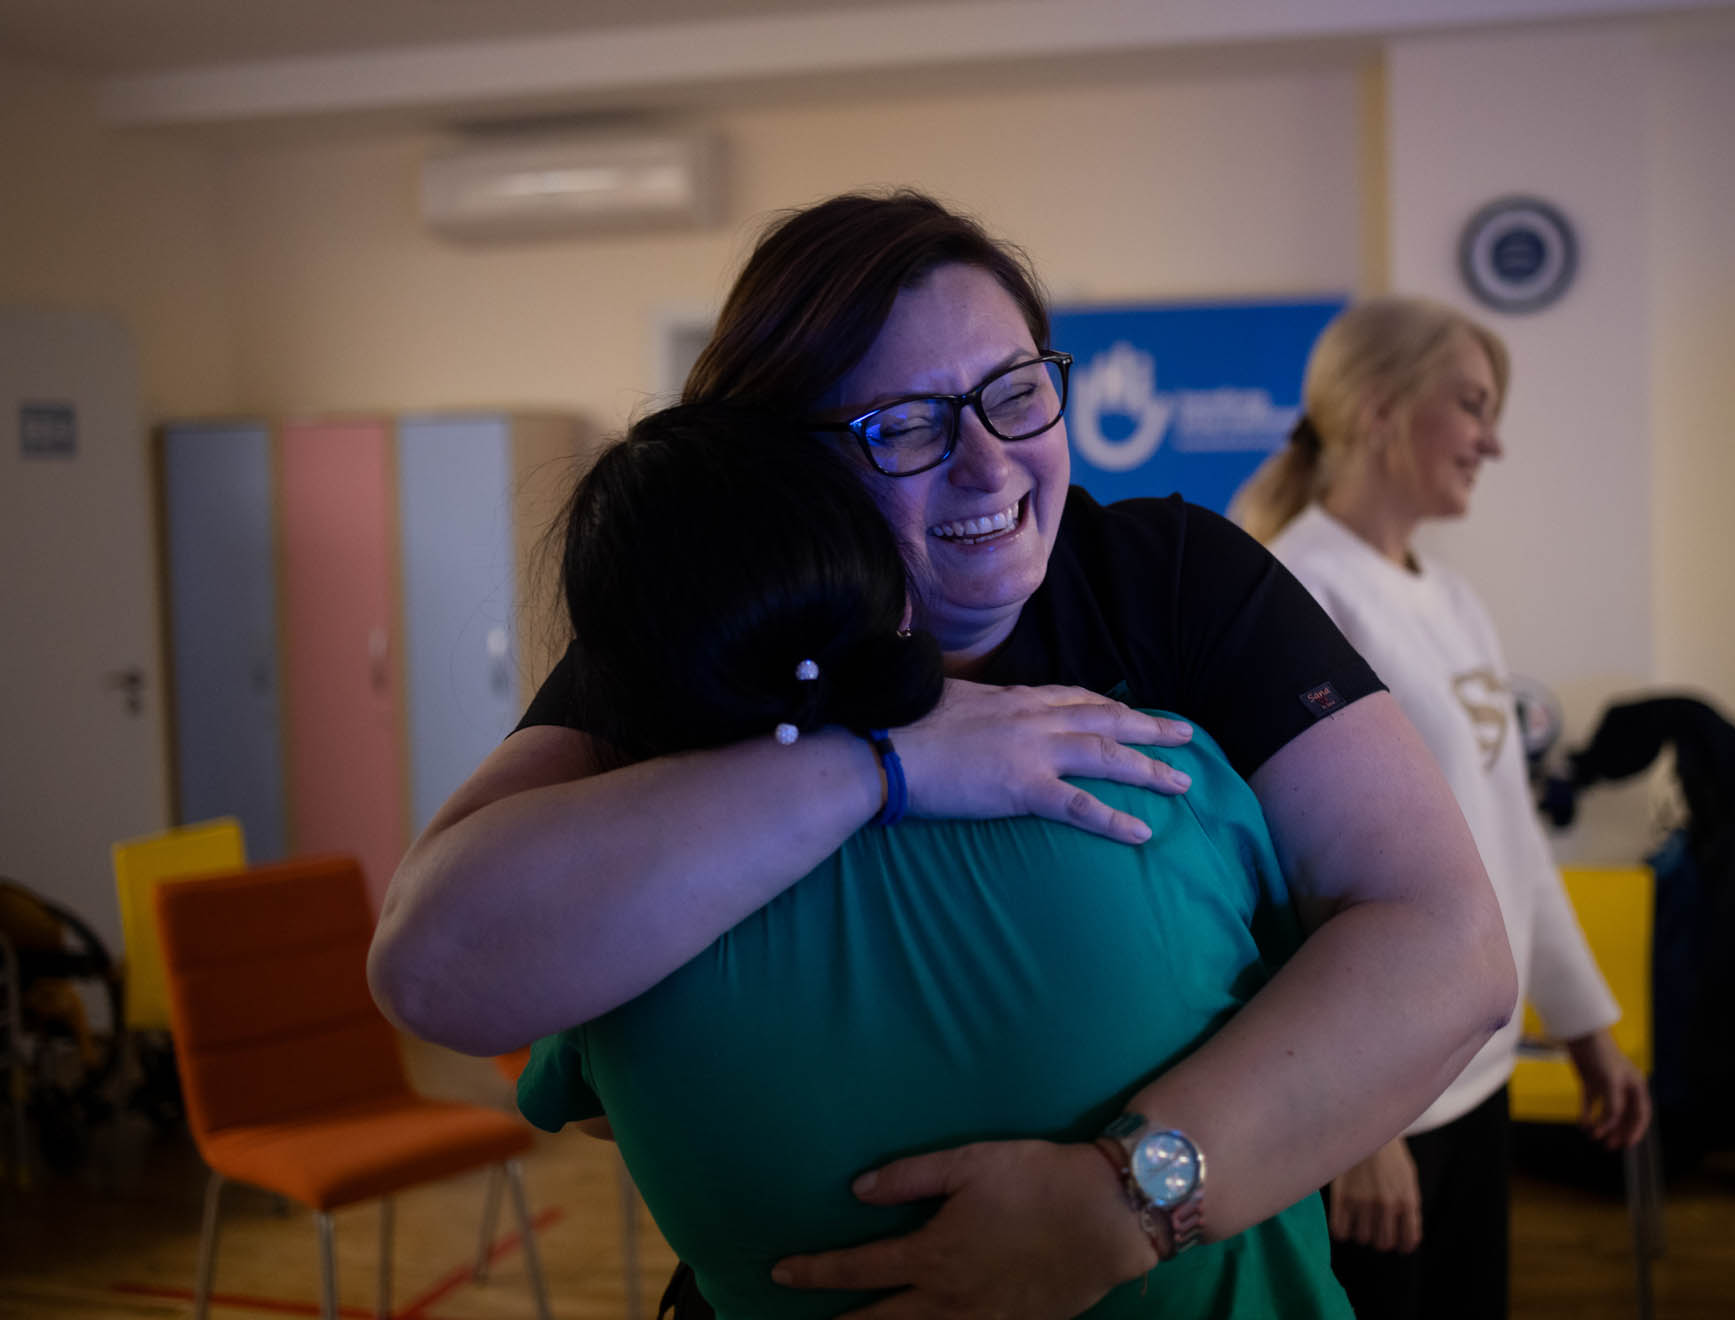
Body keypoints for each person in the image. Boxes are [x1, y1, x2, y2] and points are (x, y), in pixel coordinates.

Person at [369, 191, 1517, 1318]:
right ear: (778, 469)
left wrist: (1126, 1203)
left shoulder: (1168, 584)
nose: (991, 463)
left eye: (1017, 394)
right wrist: (885, 764)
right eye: (907, 423)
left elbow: (1449, 948)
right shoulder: (699, 649)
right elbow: (438, 963)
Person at [516, 400, 1353, 1316]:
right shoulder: (1147, 770)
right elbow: (1323, 979)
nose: (986, 463)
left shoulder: (608, 934)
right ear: (873, 569)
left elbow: (592, 1110)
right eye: (909, 425)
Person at [1230, 295, 1654, 1320]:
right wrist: (1360, 1123)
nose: (1492, 440)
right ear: (1379, 408)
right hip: (1379, 1096)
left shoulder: (1453, 601)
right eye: (1472, 405)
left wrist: (1588, 1023)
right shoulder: (1299, 588)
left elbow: (1508, 836)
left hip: (1477, 1070)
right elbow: (1270, 876)